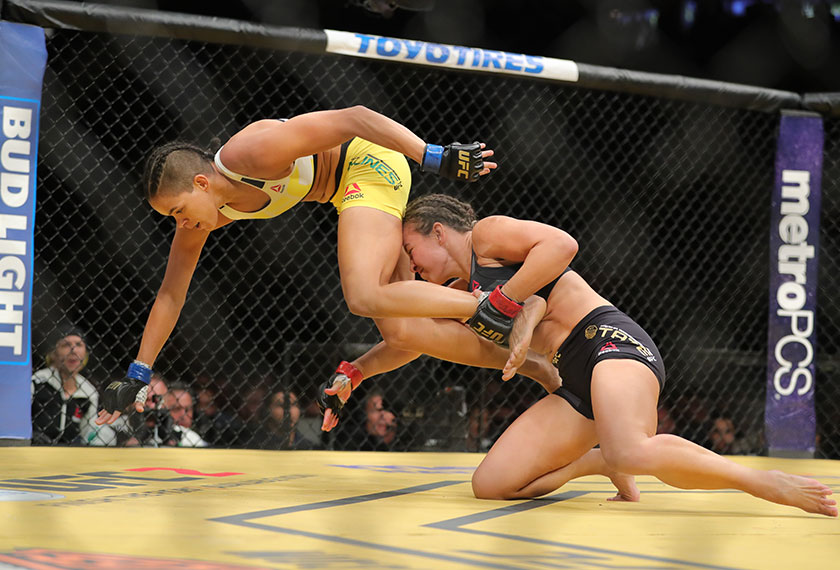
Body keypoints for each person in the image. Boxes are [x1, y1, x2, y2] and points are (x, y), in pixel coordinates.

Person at [339, 193, 838, 517]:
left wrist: (511, 301)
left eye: (411, 248)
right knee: (490, 485)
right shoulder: (458, 289)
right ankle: (592, 462)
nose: (413, 265)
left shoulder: (486, 237)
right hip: (570, 379)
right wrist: (359, 368)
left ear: (437, 231)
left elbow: (561, 245)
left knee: (632, 450)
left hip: (610, 342)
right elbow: (410, 338)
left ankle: (763, 482)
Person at [96, 104, 504, 425]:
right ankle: (528, 359)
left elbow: (355, 118)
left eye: (178, 210)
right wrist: (139, 372)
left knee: (363, 295)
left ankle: (489, 305)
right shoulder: (204, 218)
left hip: (368, 160)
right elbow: (171, 294)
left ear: (201, 183)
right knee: (403, 332)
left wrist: (432, 156)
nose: (180, 223)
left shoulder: (248, 154)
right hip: (346, 191)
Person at [31, 329, 100, 445]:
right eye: (66, 345)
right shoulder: (37, 382)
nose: (73, 350)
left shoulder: (89, 392)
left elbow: (89, 434)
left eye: (79, 345)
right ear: (53, 354)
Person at [252, 390, 319, 450]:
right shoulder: (254, 445)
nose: (288, 411)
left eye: (293, 404)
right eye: (280, 405)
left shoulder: (311, 448)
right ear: (268, 410)